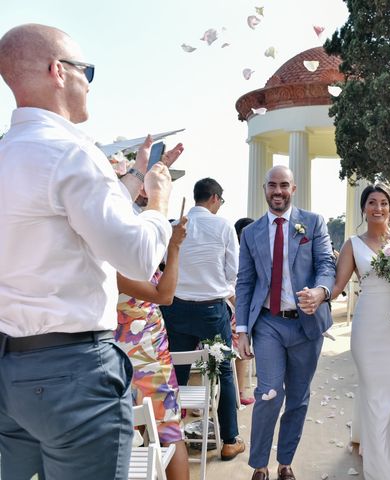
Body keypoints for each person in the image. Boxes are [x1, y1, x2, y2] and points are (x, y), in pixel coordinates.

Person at [0, 24, 173, 479]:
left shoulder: (7, 153)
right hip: (72, 372)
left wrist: (132, 177)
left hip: (11, 371)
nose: (89, 83)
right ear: (58, 71)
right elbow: (137, 256)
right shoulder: (71, 152)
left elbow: (65, 218)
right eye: (86, 70)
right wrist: (156, 199)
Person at [235, 165, 335, 480]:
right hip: (268, 324)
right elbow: (245, 283)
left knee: (298, 396)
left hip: (307, 324)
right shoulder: (251, 233)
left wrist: (321, 292)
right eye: (272, 186)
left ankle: (285, 463)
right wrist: (241, 330)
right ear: (264, 189)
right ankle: (260, 465)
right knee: (268, 392)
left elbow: (326, 264)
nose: (278, 191)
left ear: (293, 189)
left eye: (284, 186)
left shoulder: (314, 222)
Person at [331, 184, 390, 480]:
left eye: (384, 203)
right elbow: (336, 288)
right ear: (364, 208)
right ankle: (382, 468)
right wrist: (316, 295)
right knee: (376, 396)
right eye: (372, 202)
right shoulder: (352, 245)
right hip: (370, 330)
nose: (379, 208)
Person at [160, 177, 244, 461]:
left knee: (176, 373)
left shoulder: (176, 224)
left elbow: (162, 263)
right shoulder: (222, 226)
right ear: (215, 199)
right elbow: (233, 270)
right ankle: (230, 440)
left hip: (176, 308)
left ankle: (168, 436)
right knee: (223, 371)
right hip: (211, 310)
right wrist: (223, 290)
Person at [115, 217, 189, 480]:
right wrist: (174, 247)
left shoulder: (119, 258)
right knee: (168, 430)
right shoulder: (115, 265)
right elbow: (165, 295)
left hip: (131, 352)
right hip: (142, 357)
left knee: (135, 431)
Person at [233, 217, 255, 406]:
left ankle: (240, 390)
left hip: (239, 305)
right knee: (241, 349)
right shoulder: (238, 252)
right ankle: (240, 391)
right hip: (234, 306)